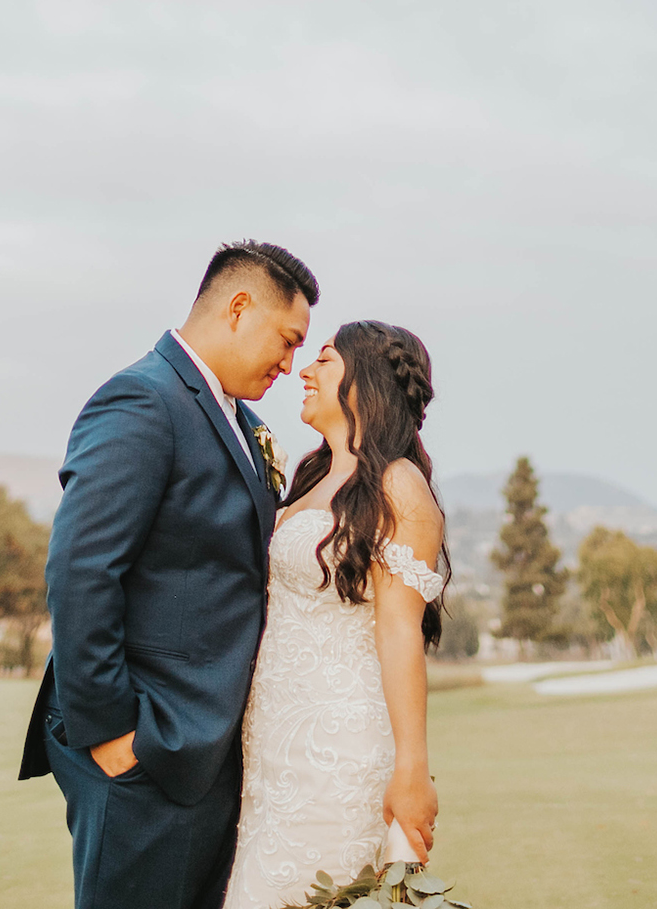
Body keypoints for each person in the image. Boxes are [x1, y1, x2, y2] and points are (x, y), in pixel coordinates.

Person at [20, 239, 319, 909]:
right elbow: (81, 568)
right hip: (147, 750)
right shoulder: (142, 400)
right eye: (287, 340)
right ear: (238, 308)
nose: (289, 363)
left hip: (206, 752)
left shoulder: (242, 420)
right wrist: (112, 732)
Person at [222, 320, 448, 908]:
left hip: (339, 753)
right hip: (272, 747)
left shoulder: (398, 487)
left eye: (323, 359)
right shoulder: (314, 476)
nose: (304, 370)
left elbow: (400, 632)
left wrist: (412, 770)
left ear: (364, 379)